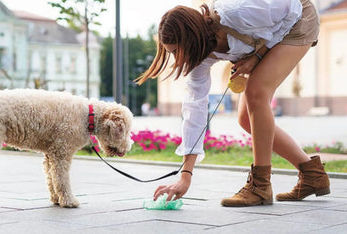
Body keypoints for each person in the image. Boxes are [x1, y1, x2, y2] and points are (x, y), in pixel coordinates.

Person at [135, 0, 330, 207]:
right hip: (271, 35)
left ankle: (260, 186)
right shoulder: (200, 57)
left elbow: (290, 8)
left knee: (256, 92)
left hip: (297, 19)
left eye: (176, 51)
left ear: (192, 39)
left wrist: (258, 55)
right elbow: (194, 111)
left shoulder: (237, 12)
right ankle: (312, 175)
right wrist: (185, 176)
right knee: (246, 118)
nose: (177, 59)